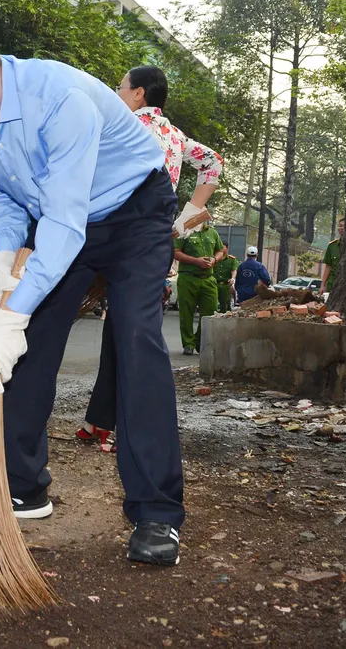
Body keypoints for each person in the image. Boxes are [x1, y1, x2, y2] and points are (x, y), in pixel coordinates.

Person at [0, 19, 184, 566]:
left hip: (133, 210)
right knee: (29, 342)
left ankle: (156, 511)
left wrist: (9, 315)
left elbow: (64, 223)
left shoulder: (60, 99)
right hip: (57, 217)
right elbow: (11, 197)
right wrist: (7, 259)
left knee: (134, 340)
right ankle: (22, 484)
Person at [81, 65, 224, 450]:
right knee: (125, 330)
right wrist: (188, 215)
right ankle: (102, 421)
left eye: (120, 86)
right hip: (154, 244)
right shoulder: (174, 135)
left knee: (129, 335)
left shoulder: (122, 127)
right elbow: (214, 162)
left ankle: (125, 430)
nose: (116, 91)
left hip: (119, 239)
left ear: (138, 94)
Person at [173, 222, 225, 355]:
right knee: (186, 313)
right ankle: (188, 344)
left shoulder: (212, 232)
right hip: (188, 278)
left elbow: (221, 250)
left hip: (208, 279)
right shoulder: (183, 231)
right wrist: (196, 261)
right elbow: (175, 252)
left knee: (210, 313)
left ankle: (197, 341)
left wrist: (214, 260)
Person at [322, 218, 344, 293]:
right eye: (340, 226)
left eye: (344, 226)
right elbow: (328, 267)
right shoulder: (332, 246)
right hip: (332, 285)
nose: (342, 228)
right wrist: (322, 285)